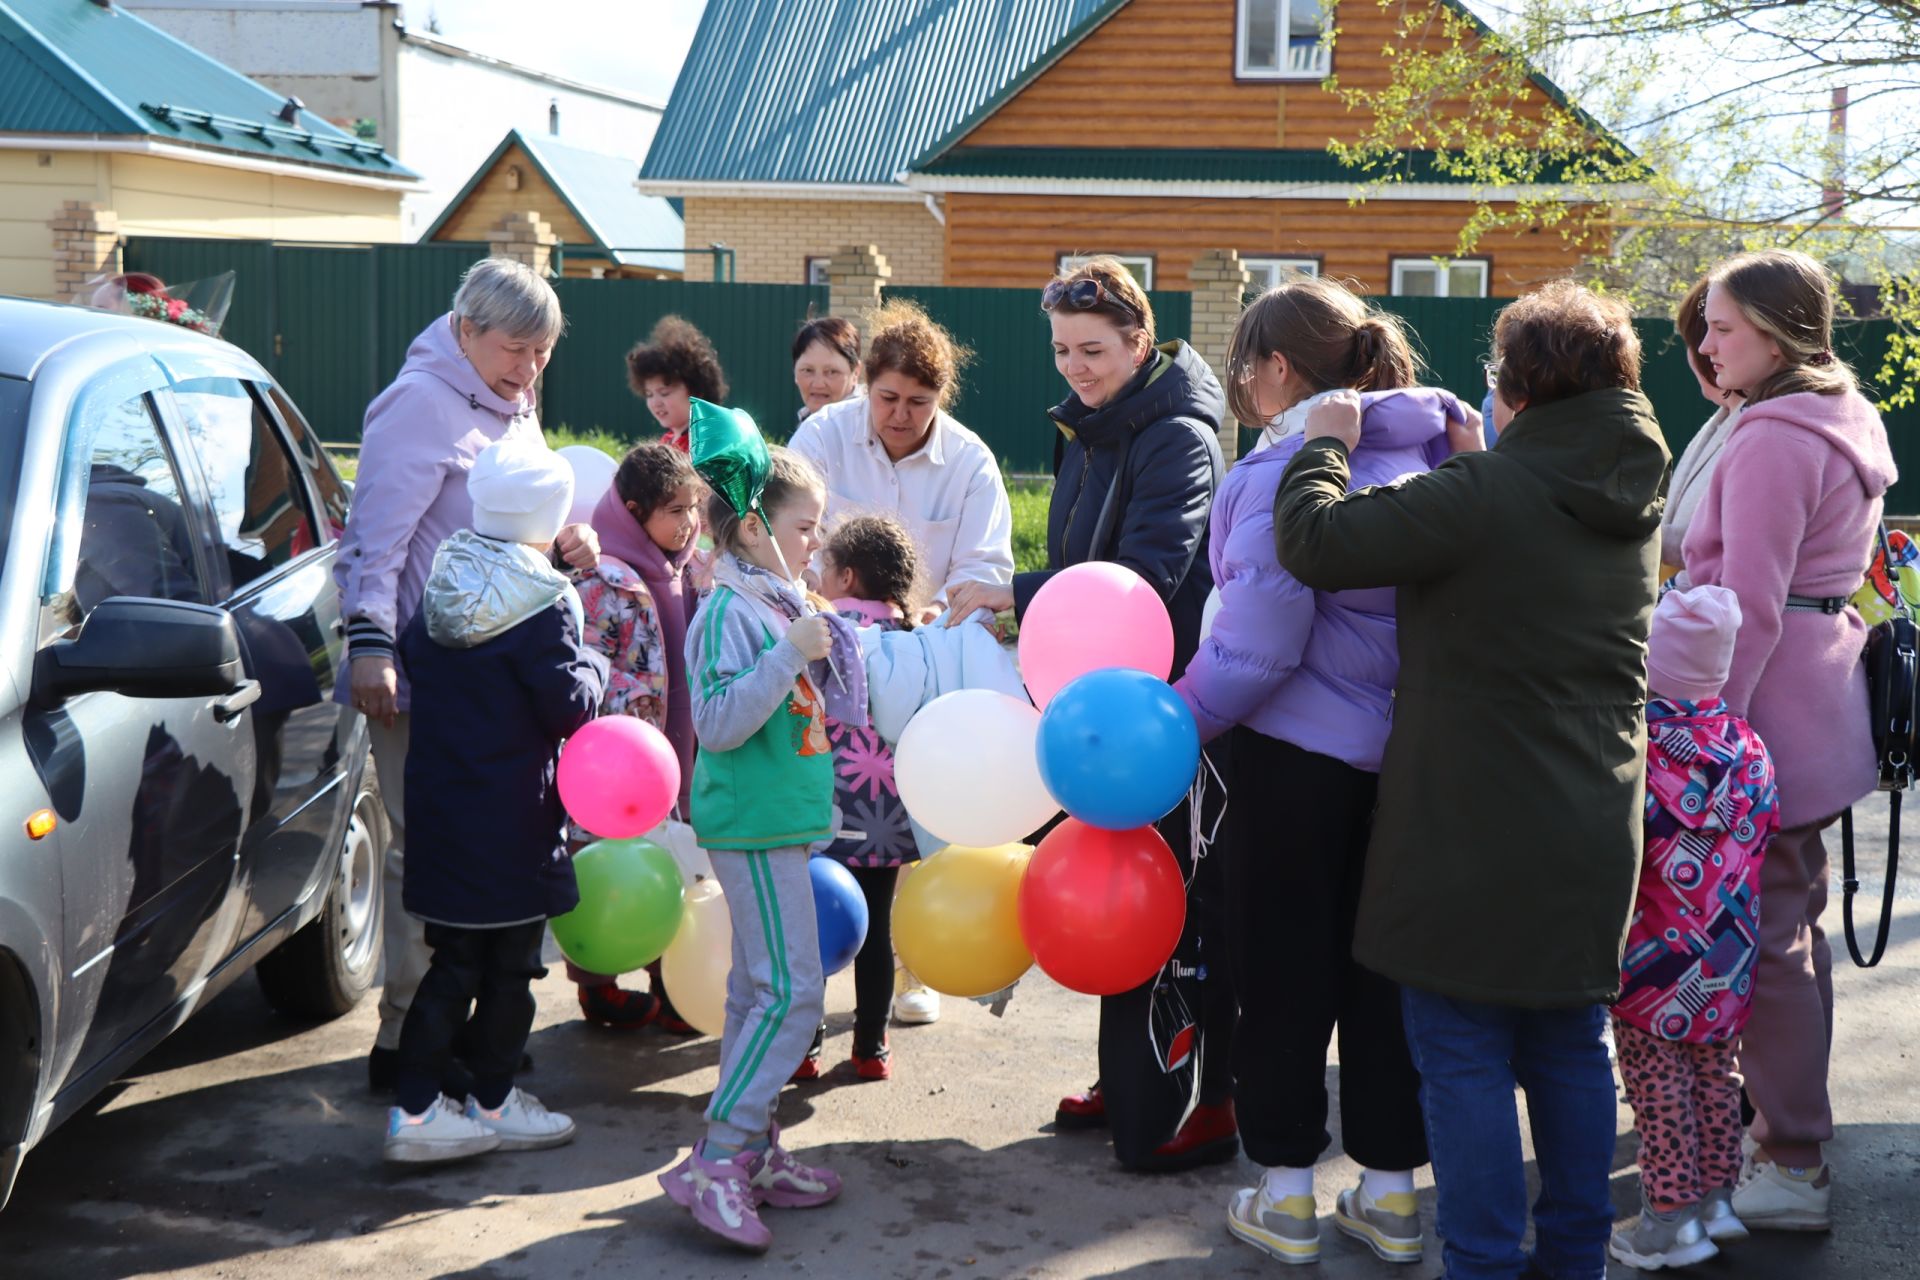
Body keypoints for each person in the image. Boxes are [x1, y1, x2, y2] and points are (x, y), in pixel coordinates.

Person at [1272, 279, 1669, 1279]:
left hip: (1471, 823)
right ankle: (1575, 1256)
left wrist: (1320, 440)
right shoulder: (1627, 486)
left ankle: (1486, 1261)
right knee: (1571, 1044)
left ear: (1519, 391)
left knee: (1462, 1050)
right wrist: (1478, 468)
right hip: (1592, 817)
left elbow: (1317, 542)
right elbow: (1525, 540)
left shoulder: (1486, 493)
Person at [1175, 279, 1460, 1266]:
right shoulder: (1440, 453)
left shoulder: (1286, 462)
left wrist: (1181, 717)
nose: (1242, 385)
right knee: (1387, 980)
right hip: (1409, 764)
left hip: (1293, 765)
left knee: (1281, 976)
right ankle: (1391, 1196)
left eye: (1245, 366)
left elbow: (1260, 639)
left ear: (1279, 369)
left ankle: (1288, 1194)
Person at [946, 257, 1235, 1174]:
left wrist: (1019, 592)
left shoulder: (1179, 436)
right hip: (1098, 708)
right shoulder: (1092, 426)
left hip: (1167, 714)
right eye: (1064, 350)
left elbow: (1144, 580)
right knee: (1113, 898)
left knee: (1170, 911)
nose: (1076, 366)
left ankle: (1191, 1102)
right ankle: (1130, 1077)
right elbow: (1082, 567)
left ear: (1140, 341)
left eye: (1095, 349)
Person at [336, 258, 598, 1094]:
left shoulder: (508, 402)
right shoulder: (420, 405)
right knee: (427, 855)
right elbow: (375, 539)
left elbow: (509, 524)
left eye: (544, 354)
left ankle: (472, 1031)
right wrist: (369, 643)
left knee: (485, 855)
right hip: (426, 680)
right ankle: (408, 1037)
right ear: (465, 329)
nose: (529, 370)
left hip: (497, 688)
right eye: (516, 349)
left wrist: (563, 545)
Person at [1682, 249, 1896, 1231]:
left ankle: (1794, 1159)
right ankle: (1788, 1135)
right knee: (1791, 930)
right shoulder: (1842, 416)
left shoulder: (1770, 436)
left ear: (1776, 330)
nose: (1707, 342)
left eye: (1723, 326)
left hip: (1765, 708)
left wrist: (1701, 723)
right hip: (1824, 697)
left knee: (1767, 940)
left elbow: (1747, 606)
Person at [382, 438, 608, 1164]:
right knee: (510, 968)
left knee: (451, 962)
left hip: (444, 810)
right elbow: (567, 706)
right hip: (512, 818)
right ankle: (485, 1100)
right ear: (550, 514)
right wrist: (596, 666)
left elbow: (418, 655)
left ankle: (422, 1107)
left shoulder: (448, 575)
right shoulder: (547, 604)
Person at [659, 445, 847, 1253]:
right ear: (757, 525)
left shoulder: (771, 599)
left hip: (777, 822)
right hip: (752, 826)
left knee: (754, 992)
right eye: (805, 526)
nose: (817, 541)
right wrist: (788, 655)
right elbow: (720, 723)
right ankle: (720, 1157)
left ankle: (756, 1150)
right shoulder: (729, 612)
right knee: (793, 994)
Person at [1608, 585, 1780, 1271]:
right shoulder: (1749, 746)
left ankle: (1667, 1221)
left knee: (1658, 1093)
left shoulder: (1644, 753)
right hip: (1729, 963)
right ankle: (1716, 1201)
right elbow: (1766, 828)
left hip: (1652, 972)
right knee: (1717, 1077)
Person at [564, 443, 704, 1030]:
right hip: (619, 756)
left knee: (671, 857)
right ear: (632, 510)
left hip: (680, 745)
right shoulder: (602, 578)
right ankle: (597, 983)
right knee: (605, 859)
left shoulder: (692, 570)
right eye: (674, 511)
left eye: (694, 508)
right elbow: (585, 663)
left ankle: (668, 982)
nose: (689, 522)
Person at [792, 514, 922, 1083]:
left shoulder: (820, 631)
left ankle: (804, 1046)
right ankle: (871, 1046)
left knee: (819, 921)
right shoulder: (912, 638)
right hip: (890, 814)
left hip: (827, 806)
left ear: (845, 577)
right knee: (876, 931)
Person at [789, 300, 1014, 626]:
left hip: (933, 642)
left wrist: (937, 612)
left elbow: (982, 566)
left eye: (918, 402)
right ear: (866, 383)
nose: (900, 415)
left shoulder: (970, 463)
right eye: (888, 398)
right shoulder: (822, 435)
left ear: (942, 395)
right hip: (822, 631)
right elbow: (787, 529)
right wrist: (812, 588)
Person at [1662, 276, 1745, 585]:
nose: (1706, 348)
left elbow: (1722, 550)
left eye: (1721, 330)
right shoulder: (1727, 418)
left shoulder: (1759, 432)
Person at [628, 315, 729, 453]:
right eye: (649, 394)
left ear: (695, 390)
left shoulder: (707, 446)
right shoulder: (665, 441)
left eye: (664, 393)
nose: (655, 403)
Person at [792, 315, 862, 423]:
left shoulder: (865, 425)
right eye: (808, 370)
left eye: (832, 372)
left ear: (856, 373)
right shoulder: (809, 420)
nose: (818, 384)